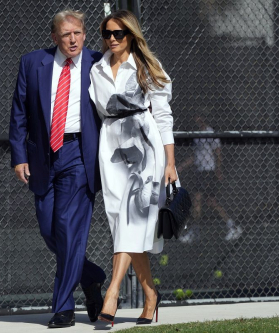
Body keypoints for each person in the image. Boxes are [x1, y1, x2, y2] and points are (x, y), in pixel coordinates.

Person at [9, 9, 106, 328]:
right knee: (50, 231)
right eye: (66, 34)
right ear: (54, 37)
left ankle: (63, 307)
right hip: (43, 157)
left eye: (78, 32)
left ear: (84, 34)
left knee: (68, 227)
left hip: (80, 153)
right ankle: (91, 277)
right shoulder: (32, 63)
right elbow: (19, 113)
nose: (73, 39)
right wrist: (19, 155)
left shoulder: (98, 62)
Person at [88, 10, 178, 326]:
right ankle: (150, 294)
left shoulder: (144, 67)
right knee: (121, 222)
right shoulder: (96, 69)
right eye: (107, 33)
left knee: (132, 219)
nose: (112, 39)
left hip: (145, 148)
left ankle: (112, 294)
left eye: (119, 34)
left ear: (131, 35)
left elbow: (164, 116)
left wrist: (170, 162)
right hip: (110, 148)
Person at [177, 115, 242, 243]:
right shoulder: (196, 135)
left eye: (199, 118)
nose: (196, 120)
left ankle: (195, 231)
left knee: (197, 200)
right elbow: (194, 157)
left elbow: (218, 152)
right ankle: (232, 226)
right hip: (200, 172)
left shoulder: (209, 132)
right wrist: (180, 168)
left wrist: (218, 169)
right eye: (195, 118)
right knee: (210, 201)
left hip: (208, 172)